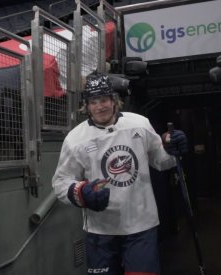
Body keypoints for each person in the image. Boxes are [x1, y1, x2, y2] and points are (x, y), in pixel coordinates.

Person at [52, 72, 188, 275]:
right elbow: (61, 182)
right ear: (86, 106)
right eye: (94, 101)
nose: (100, 106)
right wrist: (80, 192)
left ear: (114, 101)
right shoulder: (75, 139)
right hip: (100, 230)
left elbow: (161, 161)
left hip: (141, 225)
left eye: (105, 99)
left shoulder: (139, 124)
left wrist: (172, 149)